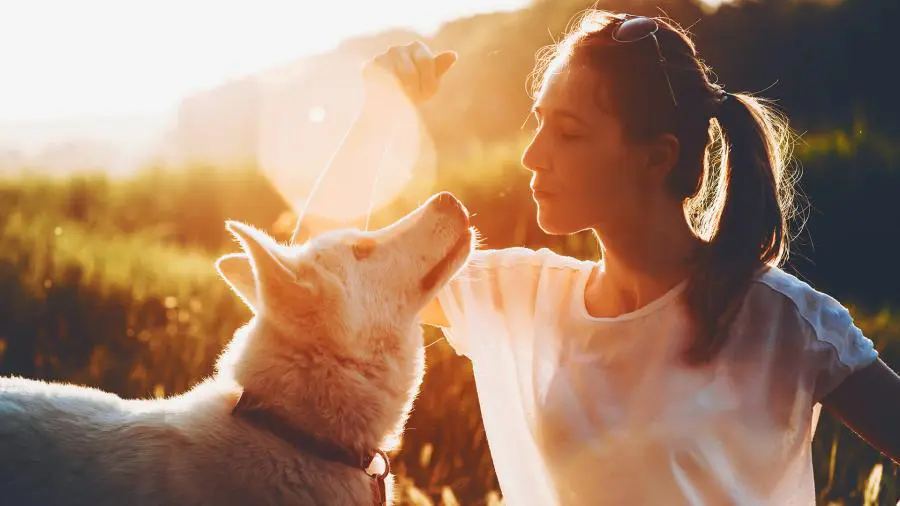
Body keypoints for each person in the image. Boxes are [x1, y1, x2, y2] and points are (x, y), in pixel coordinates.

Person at [294, 9, 900, 505]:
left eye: (569, 132)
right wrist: (379, 115)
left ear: (655, 157)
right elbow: (314, 278)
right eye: (538, 124)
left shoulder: (787, 323)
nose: (533, 155)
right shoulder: (522, 296)